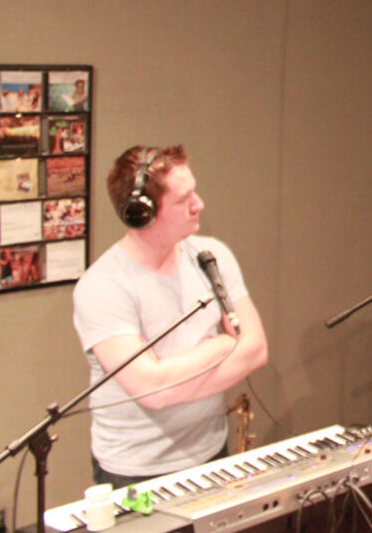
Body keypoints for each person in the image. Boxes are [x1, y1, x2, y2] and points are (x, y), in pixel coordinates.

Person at [72, 145, 268, 489]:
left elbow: (255, 350)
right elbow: (153, 391)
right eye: (183, 199)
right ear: (141, 213)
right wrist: (221, 345)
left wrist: (171, 376)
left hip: (210, 453)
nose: (199, 204)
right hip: (135, 472)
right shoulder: (103, 286)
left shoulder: (212, 256)